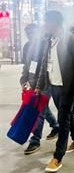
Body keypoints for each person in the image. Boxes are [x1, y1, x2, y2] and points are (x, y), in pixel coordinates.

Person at [35, 10, 74, 173]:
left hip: (67, 87)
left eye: (47, 21)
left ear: (55, 23)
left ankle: (58, 157)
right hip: (53, 86)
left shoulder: (71, 40)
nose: (44, 25)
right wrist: (40, 85)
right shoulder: (48, 41)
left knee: (63, 119)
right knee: (68, 115)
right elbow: (45, 65)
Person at [20, 24, 59, 155]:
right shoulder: (27, 46)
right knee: (43, 108)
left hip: (45, 84)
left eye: (32, 33)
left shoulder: (45, 44)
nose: (30, 36)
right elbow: (27, 65)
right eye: (28, 33)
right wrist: (23, 79)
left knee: (39, 111)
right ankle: (56, 126)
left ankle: (35, 140)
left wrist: (41, 84)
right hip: (33, 83)